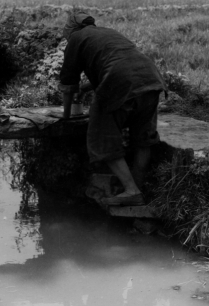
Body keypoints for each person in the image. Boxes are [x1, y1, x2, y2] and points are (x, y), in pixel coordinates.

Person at [59, 12, 166, 207]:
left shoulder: (75, 38)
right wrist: (88, 87)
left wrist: (66, 117)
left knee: (101, 136)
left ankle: (131, 190)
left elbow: (68, 85)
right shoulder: (106, 32)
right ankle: (136, 189)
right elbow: (119, 62)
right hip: (150, 78)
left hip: (120, 83)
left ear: (71, 30)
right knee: (143, 138)